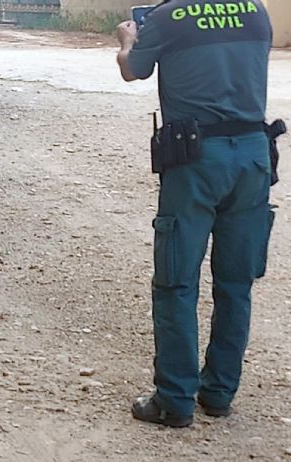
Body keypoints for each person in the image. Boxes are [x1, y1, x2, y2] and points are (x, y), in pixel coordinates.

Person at [115, 0, 275, 427]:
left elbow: (133, 70)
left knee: (177, 282)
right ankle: (219, 393)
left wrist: (128, 40)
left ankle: (174, 399)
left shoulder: (169, 17)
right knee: (236, 284)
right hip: (254, 156)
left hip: (195, 162)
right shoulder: (256, 11)